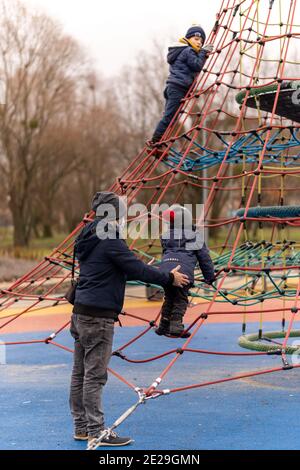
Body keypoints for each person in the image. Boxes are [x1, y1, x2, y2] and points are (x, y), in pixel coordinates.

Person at [69, 192, 189, 448]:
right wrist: (169, 278)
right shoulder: (109, 238)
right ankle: (96, 430)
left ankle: (81, 427)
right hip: (98, 315)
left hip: (80, 312)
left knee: (80, 373)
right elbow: (136, 269)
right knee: (94, 375)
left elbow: (121, 265)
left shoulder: (87, 235)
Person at [156, 204, 215, 338]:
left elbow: (166, 251)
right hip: (183, 272)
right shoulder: (194, 236)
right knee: (181, 299)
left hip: (165, 271)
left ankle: (163, 325)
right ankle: (176, 326)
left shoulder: (165, 235)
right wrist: (209, 277)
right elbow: (204, 258)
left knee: (169, 297)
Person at [149, 25, 214, 145]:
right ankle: (155, 140)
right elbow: (197, 65)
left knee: (172, 117)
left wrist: (202, 53)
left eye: (201, 41)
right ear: (188, 39)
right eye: (196, 39)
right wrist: (203, 52)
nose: (199, 42)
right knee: (169, 117)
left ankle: (160, 140)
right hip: (178, 88)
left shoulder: (183, 50)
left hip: (173, 87)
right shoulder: (188, 51)